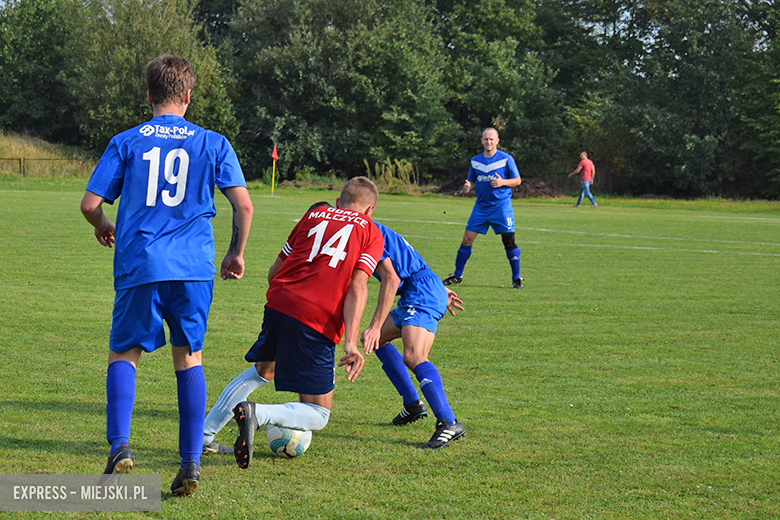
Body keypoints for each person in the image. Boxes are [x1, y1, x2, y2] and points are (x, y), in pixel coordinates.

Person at [80, 54, 253, 496]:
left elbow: (89, 204)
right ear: (188, 96)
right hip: (193, 269)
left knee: (124, 354)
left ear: (150, 94)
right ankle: (191, 461)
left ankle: (120, 446)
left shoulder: (127, 141)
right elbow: (243, 205)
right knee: (189, 358)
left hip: (140, 263)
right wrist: (235, 254)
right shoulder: (213, 142)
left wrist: (104, 226)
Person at [219, 178, 384, 469]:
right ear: (369, 209)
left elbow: (275, 271)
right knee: (319, 414)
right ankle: (259, 414)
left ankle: (204, 436)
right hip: (315, 317)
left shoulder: (312, 215)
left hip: (280, 301)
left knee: (263, 369)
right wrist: (350, 342)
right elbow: (358, 286)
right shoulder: (370, 229)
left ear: (338, 201)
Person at [360, 221, 466, 449]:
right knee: (377, 340)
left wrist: (434, 287)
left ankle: (449, 422)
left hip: (421, 290)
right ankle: (413, 404)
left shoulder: (363, 230)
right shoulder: (366, 227)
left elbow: (392, 278)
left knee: (414, 356)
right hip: (418, 289)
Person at [443, 128, 524, 289]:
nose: (489, 142)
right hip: (481, 207)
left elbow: (517, 180)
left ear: (497, 141)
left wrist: (503, 182)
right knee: (467, 239)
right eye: (486, 139)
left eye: (491, 139)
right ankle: (457, 275)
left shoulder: (506, 159)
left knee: (508, 241)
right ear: (482, 141)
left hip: (501, 207)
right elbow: (472, 181)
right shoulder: (475, 161)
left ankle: (516, 278)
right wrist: (468, 186)